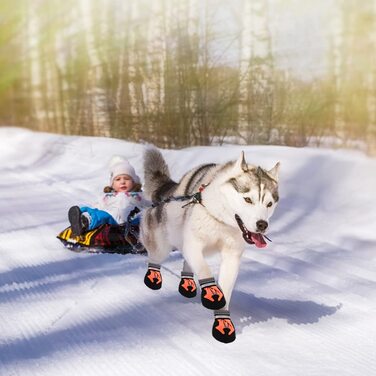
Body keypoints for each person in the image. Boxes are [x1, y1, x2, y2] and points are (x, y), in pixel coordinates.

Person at [68, 156, 150, 237]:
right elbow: (98, 205)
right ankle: (84, 220)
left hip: (132, 220)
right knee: (100, 215)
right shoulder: (107, 196)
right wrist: (92, 210)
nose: (122, 182)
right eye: (118, 179)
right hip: (112, 219)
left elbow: (150, 203)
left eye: (126, 178)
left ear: (133, 181)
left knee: (144, 215)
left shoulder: (139, 195)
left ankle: (85, 220)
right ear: (112, 184)